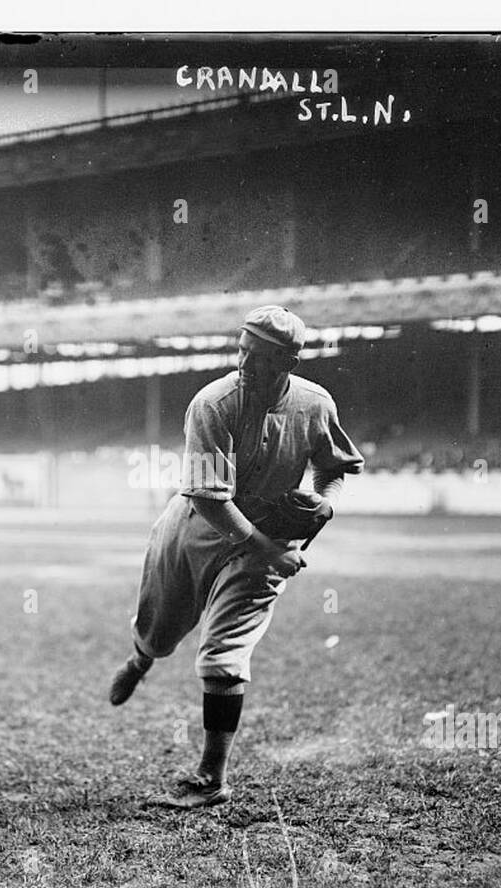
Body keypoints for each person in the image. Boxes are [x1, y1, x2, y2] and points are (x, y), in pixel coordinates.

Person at [108, 305, 364, 809]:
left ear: (288, 361)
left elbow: (334, 467)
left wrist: (324, 498)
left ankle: (211, 778)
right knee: (162, 623)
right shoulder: (213, 404)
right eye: (242, 349)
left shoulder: (315, 404)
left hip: (265, 539)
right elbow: (208, 498)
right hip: (196, 528)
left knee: (224, 655)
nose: (246, 363)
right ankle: (142, 657)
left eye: (261, 356)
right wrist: (269, 549)